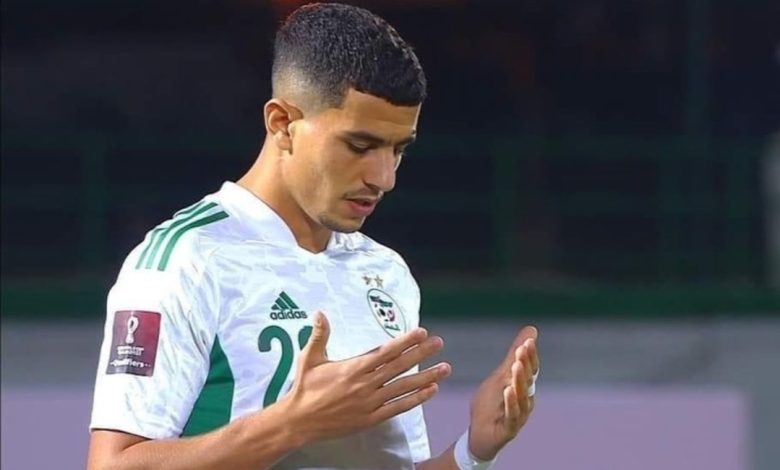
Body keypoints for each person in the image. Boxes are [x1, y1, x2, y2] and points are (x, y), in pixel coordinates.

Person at [86, 3, 540, 470]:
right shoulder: (185, 260)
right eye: (359, 146)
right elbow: (113, 466)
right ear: (282, 123)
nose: (384, 178)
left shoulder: (385, 273)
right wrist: (291, 424)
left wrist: (472, 452)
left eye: (398, 150)